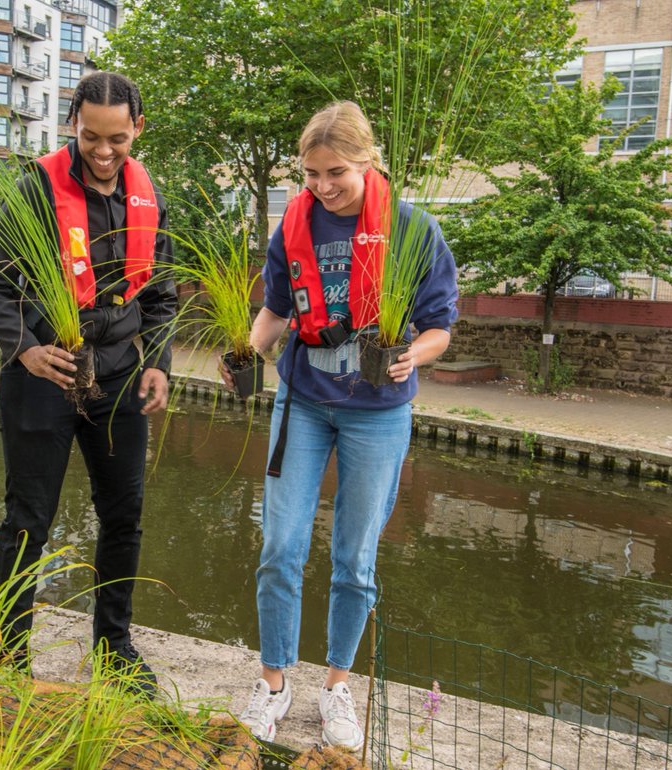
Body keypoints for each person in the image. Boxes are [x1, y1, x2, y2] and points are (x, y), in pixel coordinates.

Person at [228, 101, 458, 747]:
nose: (324, 187)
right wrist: (246, 349)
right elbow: (276, 310)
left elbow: (440, 326)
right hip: (302, 400)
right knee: (280, 547)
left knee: (355, 558)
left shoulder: (413, 230)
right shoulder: (293, 226)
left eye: (336, 173)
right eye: (311, 174)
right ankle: (274, 682)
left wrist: (414, 355)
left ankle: (335, 686)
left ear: (367, 162)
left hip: (377, 413)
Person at [0, 71, 177, 697]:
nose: (104, 151)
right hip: (44, 377)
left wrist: (158, 362)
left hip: (118, 378)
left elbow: (162, 295)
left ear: (138, 128)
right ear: (73, 125)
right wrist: (26, 350)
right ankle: (8, 657)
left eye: (118, 138)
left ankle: (114, 650)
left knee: (124, 516)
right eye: (91, 137)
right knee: (27, 519)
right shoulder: (37, 189)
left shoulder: (149, 196)